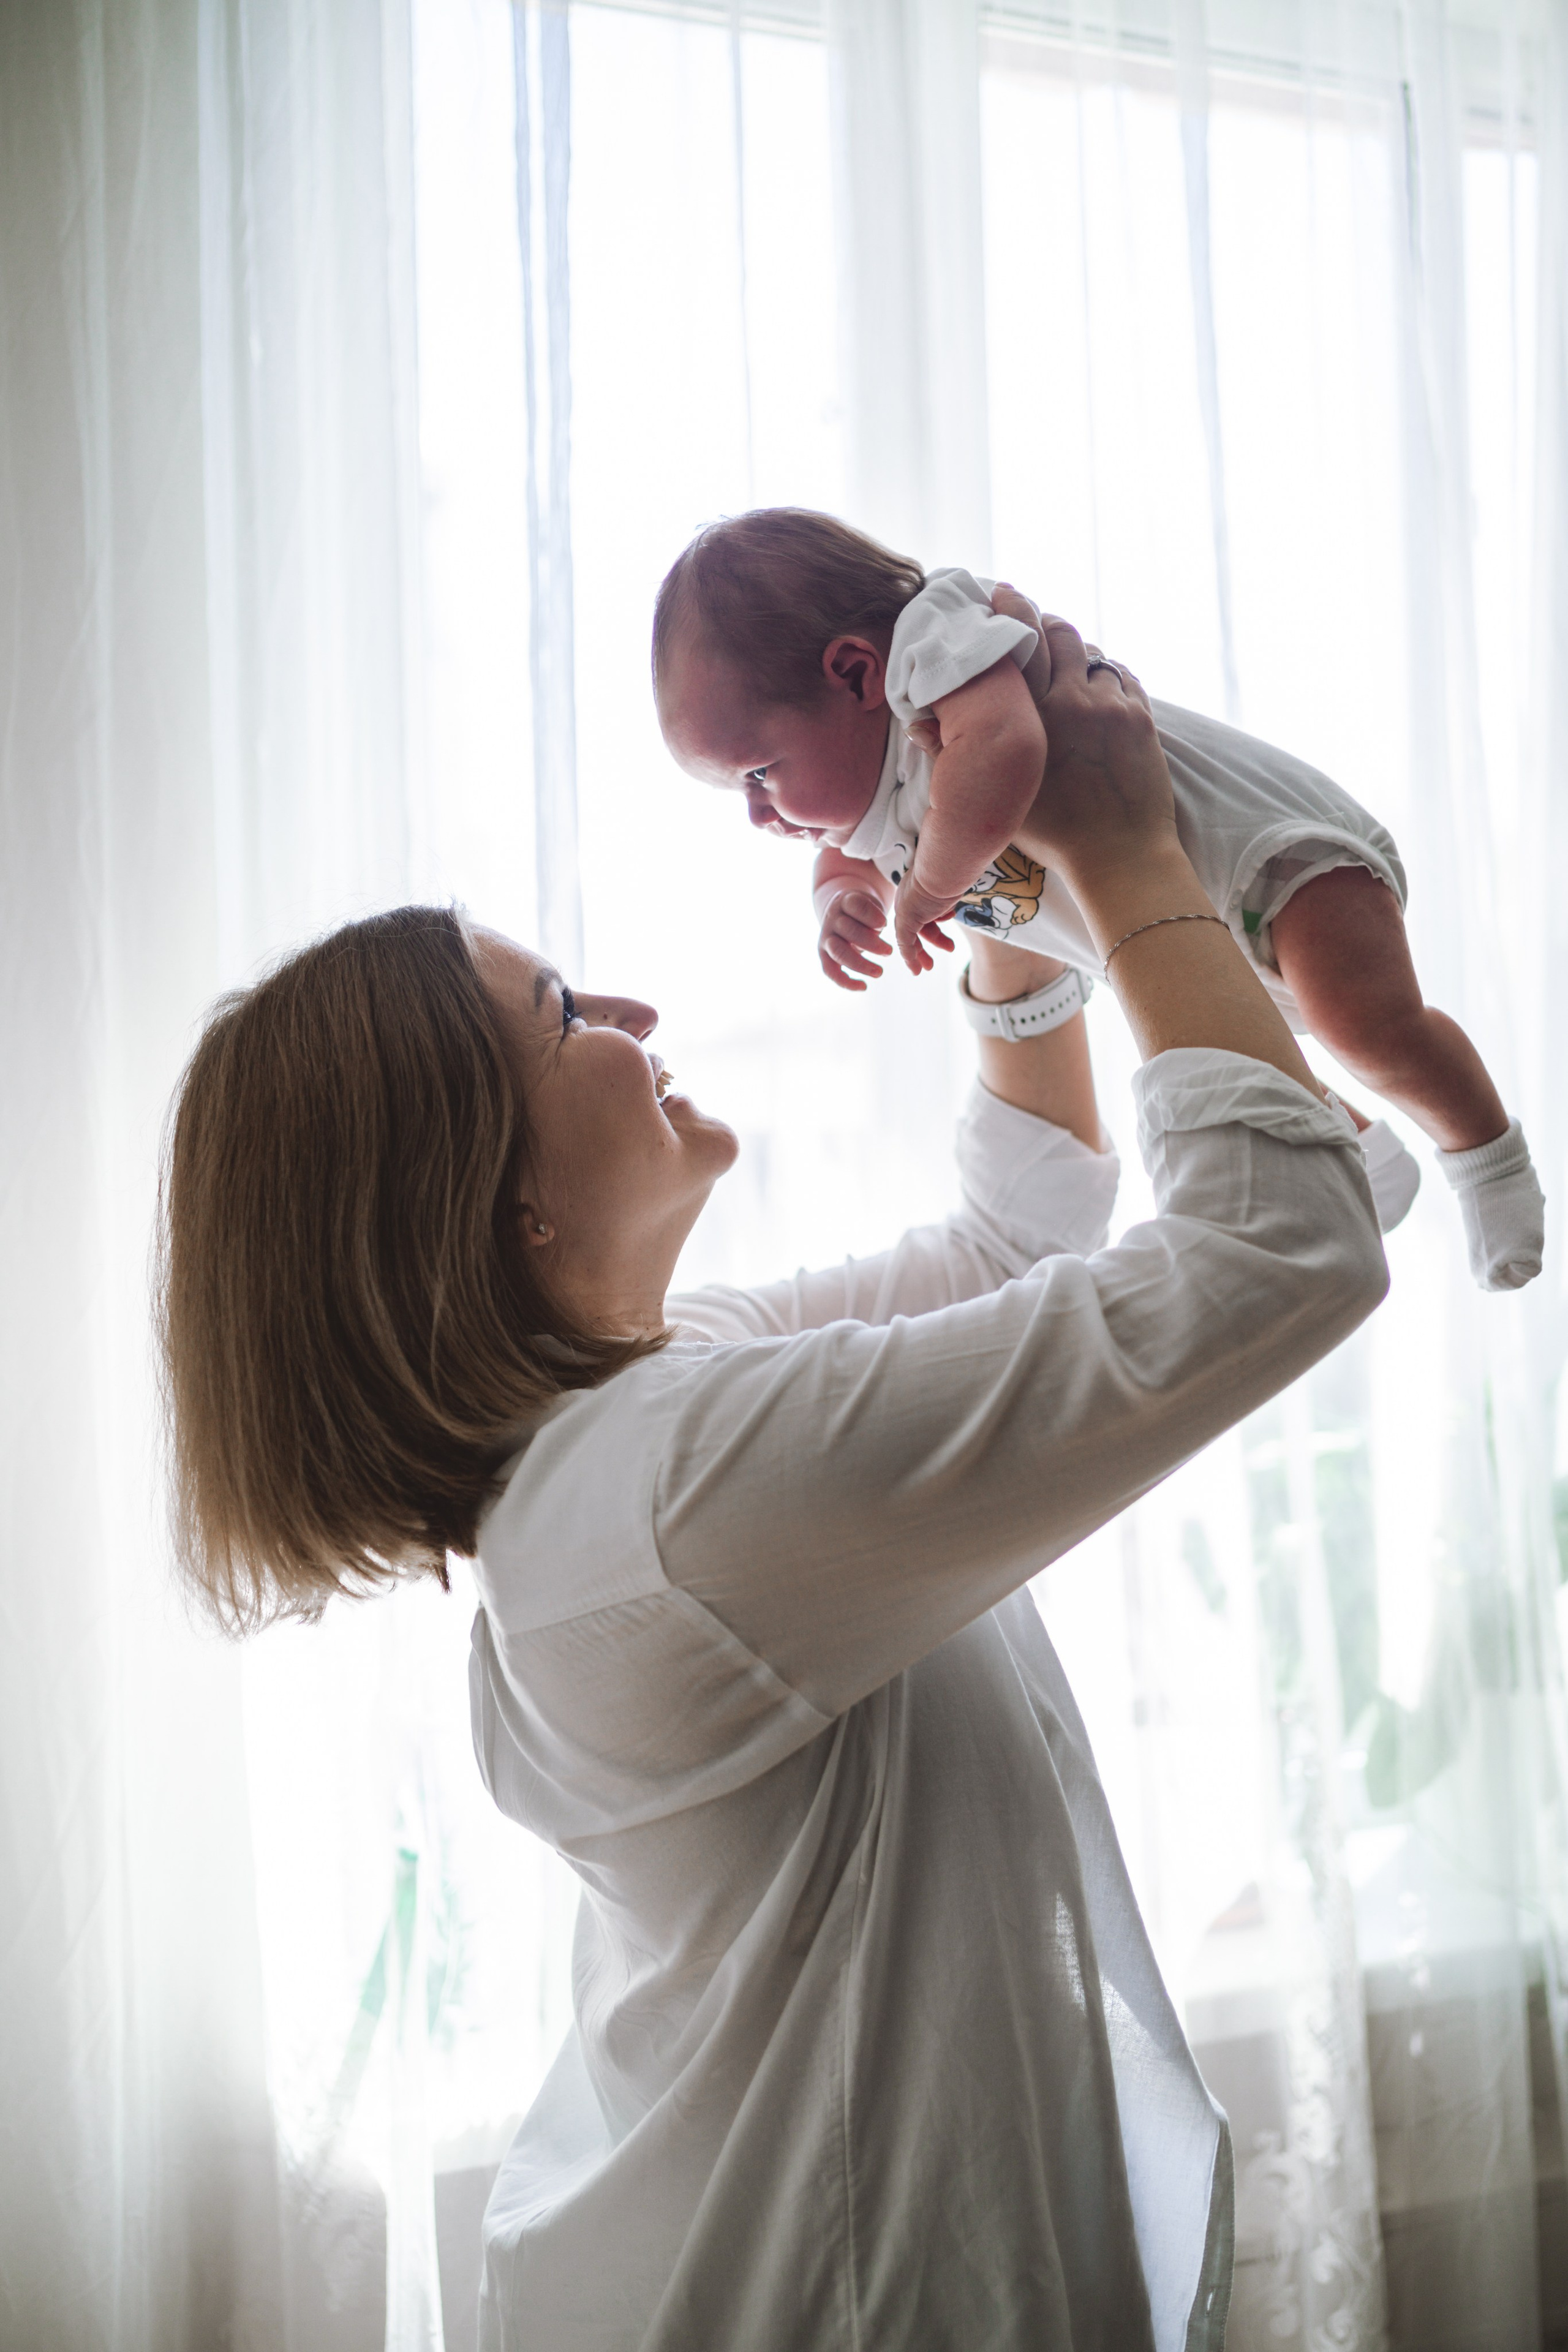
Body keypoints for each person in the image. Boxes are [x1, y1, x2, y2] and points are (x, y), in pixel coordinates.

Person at [159, 611, 1389, 2351]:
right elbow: (1281, 1253)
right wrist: (1121, 849)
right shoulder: (663, 1492)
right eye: (563, 1011)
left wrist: (1005, 905)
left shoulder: (647, 1415)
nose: (634, 1009)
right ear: (492, 1201)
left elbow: (1015, 1235)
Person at [653, 508, 1545, 1293]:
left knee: (1368, 1027)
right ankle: (1361, 1161)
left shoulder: (935, 645)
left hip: (1272, 866)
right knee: (1204, 1042)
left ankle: (1487, 1156)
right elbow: (854, 852)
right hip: (1162, 919)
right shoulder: (861, 794)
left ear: (854, 674)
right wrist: (837, 902)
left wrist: (927, 887)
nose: (761, 817)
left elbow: (1001, 755)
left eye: (760, 775)